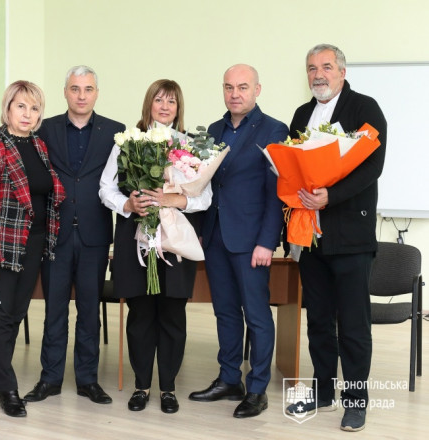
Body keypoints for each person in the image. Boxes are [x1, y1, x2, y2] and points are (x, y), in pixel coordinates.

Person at [285, 44, 386, 432]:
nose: (318, 74)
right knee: (319, 321)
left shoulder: (364, 108)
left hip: (351, 238)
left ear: (342, 72)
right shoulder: (301, 114)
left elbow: (372, 165)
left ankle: (356, 402)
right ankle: (323, 392)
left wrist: (332, 195)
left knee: (354, 325)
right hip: (311, 237)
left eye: (326, 67)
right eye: (312, 68)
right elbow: (292, 167)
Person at [99, 79, 211, 414]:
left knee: (173, 315)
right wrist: (128, 205)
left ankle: (168, 388)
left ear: (178, 108)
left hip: (175, 241)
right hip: (136, 238)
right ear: (149, 104)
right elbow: (105, 188)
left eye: (171, 101)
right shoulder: (128, 142)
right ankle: (142, 386)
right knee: (141, 315)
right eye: (159, 100)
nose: (164, 106)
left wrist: (174, 199)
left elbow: (204, 197)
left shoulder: (190, 146)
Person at [188, 64, 288, 418]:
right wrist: (201, 230)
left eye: (243, 87)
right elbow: (204, 185)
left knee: (257, 316)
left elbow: (277, 192)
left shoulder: (274, 130)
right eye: (229, 87)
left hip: (251, 241)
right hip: (216, 236)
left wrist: (267, 241)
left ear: (257, 90)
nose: (235, 94)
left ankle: (257, 389)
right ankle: (229, 379)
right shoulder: (214, 131)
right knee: (225, 313)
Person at [23, 66, 125, 405]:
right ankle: (50, 378)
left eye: (88, 89)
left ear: (97, 93)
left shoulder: (116, 132)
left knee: (89, 311)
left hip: (95, 235)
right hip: (55, 233)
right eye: (75, 89)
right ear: (65, 92)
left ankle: (87, 380)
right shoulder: (45, 129)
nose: (81, 95)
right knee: (54, 310)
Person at [0, 80, 65, 418]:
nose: (27, 114)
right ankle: (8, 390)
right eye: (21, 106)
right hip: (3, 244)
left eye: (34, 108)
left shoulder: (39, 146)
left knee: (15, 315)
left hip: (35, 242)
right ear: (7, 109)